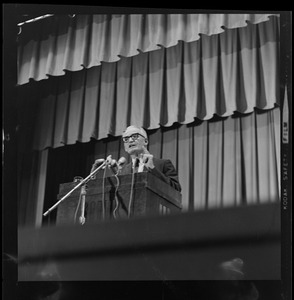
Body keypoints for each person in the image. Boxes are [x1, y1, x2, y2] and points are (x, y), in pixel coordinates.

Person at [119, 125, 181, 192]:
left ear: (145, 141)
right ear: (125, 147)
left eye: (134, 136)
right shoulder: (123, 171)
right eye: (126, 139)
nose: (130, 140)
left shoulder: (163, 164)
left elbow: (176, 189)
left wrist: (153, 169)